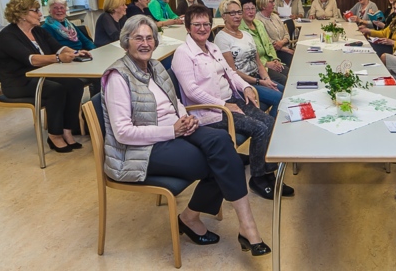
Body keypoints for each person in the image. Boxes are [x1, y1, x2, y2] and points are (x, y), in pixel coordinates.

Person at [102, 15, 270, 255]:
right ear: (125, 41)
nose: (145, 43)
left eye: (150, 38)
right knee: (220, 162)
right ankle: (213, 223)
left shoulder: (155, 66)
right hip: (141, 149)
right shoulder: (118, 77)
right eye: (138, 38)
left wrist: (184, 116)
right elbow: (123, 133)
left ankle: (241, 225)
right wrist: (171, 130)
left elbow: (175, 101)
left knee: (223, 143)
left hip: (176, 131)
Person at [172, 5, 294, 200]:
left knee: (269, 122)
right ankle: (258, 179)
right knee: (260, 128)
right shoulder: (183, 54)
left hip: (231, 99)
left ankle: (268, 172)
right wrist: (222, 104)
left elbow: (230, 72)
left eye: (206, 24)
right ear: (187, 27)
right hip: (210, 111)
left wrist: (245, 87)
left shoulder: (211, 47)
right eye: (197, 25)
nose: (203, 28)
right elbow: (191, 91)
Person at [0, 0, 90, 152]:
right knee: (56, 89)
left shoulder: (38, 30)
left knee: (75, 84)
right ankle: (55, 135)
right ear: (22, 15)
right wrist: (59, 58)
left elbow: (58, 47)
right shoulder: (7, 35)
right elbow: (31, 60)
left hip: (42, 75)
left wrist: (75, 52)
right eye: (36, 10)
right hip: (19, 81)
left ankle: (68, 130)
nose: (41, 14)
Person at [214, 0, 283, 117]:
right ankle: (273, 129)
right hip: (242, 84)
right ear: (224, 16)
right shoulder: (222, 38)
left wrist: (266, 79)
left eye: (239, 12)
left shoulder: (246, 35)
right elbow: (232, 71)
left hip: (257, 78)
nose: (237, 16)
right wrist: (259, 81)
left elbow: (258, 63)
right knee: (280, 98)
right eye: (232, 13)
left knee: (285, 91)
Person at [238, 0, 288, 85]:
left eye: (253, 8)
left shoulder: (259, 24)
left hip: (271, 60)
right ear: (241, 11)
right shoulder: (241, 30)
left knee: (290, 72)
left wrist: (275, 59)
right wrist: (267, 64)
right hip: (259, 67)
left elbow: (269, 44)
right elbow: (248, 55)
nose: (251, 12)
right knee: (284, 79)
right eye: (247, 9)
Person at [256, 0, 294, 67]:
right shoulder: (258, 20)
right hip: (274, 53)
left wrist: (282, 42)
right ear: (263, 5)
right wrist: (286, 49)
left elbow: (286, 34)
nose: (274, 4)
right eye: (271, 2)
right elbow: (267, 41)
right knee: (294, 62)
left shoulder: (275, 16)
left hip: (285, 48)